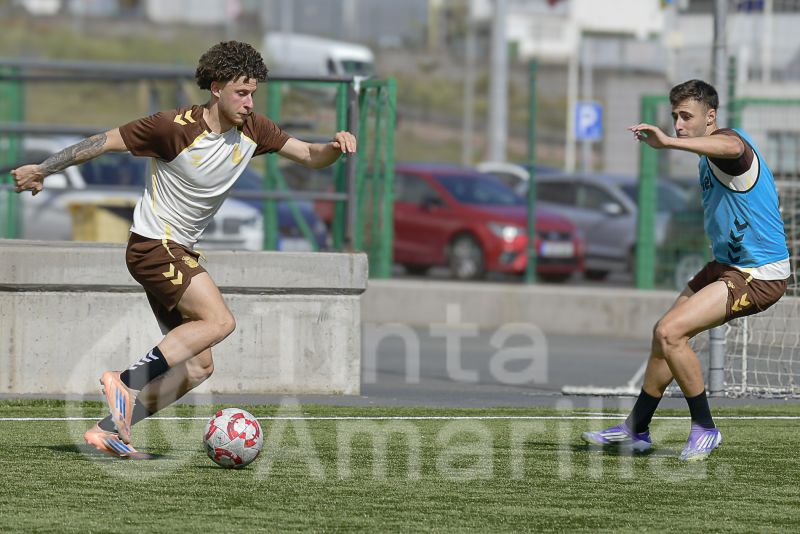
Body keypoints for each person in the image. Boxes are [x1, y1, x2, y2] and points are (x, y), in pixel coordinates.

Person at [12, 41, 356, 458]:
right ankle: (125, 382)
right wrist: (42, 169)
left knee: (197, 366)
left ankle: (109, 430)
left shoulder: (254, 130)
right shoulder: (172, 127)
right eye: (241, 93)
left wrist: (334, 148)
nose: (249, 103)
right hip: (154, 247)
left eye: (253, 94)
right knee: (220, 320)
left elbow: (308, 154)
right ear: (216, 88)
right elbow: (102, 142)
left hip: (179, 252)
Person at [581, 79, 789, 461]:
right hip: (727, 265)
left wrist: (668, 143)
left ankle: (706, 428)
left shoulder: (729, 145)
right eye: (675, 116)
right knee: (663, 336)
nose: (678, 124)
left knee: (670, 331)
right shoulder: (706, 153)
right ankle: (636, 430)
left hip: (759, 274)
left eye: (686, 117)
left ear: (710, 117)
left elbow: (731, 146)